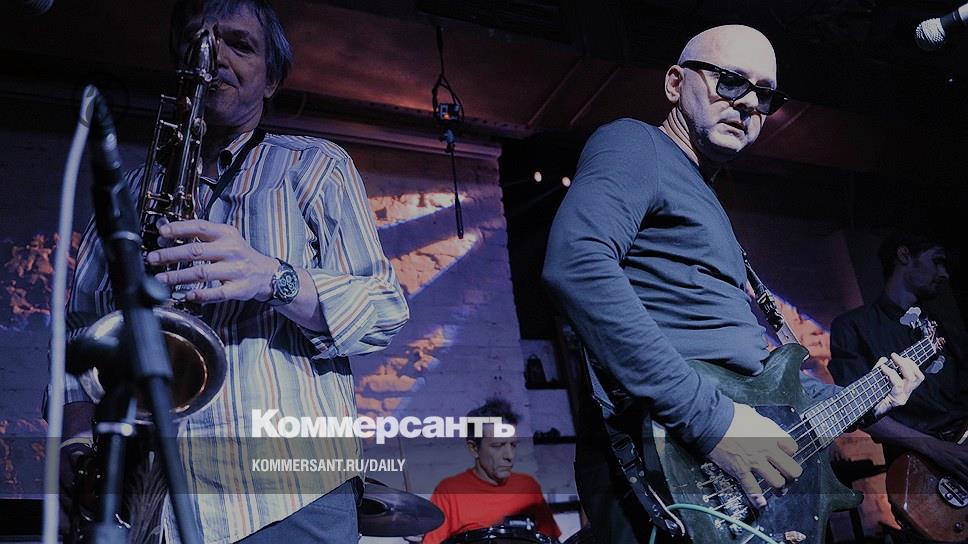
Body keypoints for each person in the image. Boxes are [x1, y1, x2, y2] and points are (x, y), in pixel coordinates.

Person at [541, 25, 925, 542]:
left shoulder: (702, 196)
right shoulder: (636, 144)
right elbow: (577, 264)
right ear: (675, 83)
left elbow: (755, 378)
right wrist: (710, 421)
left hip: (719, 473)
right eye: (730, 81)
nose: (748, 103)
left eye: (764, 94)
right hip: (667, 465)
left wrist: (867, 397)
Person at [55, 1, 409, 542]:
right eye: (198, 41)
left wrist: (273, 278)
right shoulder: (129, 192)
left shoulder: (317, 166)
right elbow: (79, 332)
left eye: (239, 45)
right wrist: (75, 443)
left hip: (291, 497)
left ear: (271, 80)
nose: (213, 55)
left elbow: (385, 310)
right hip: (150, 504)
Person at [829, 233, 968, 490]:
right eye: (936, 261)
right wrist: (935, 448)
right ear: (904, 256)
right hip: (916, 476)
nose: (944, 274)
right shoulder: (852, 326)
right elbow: (857, 412)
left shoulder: (946, 324)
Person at [422, 398, 561, 544]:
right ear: (474, 448)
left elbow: (552, 540)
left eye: (513, 445)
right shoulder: (449, 492)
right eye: (498, 445)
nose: (509, 456)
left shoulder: (528, 486)